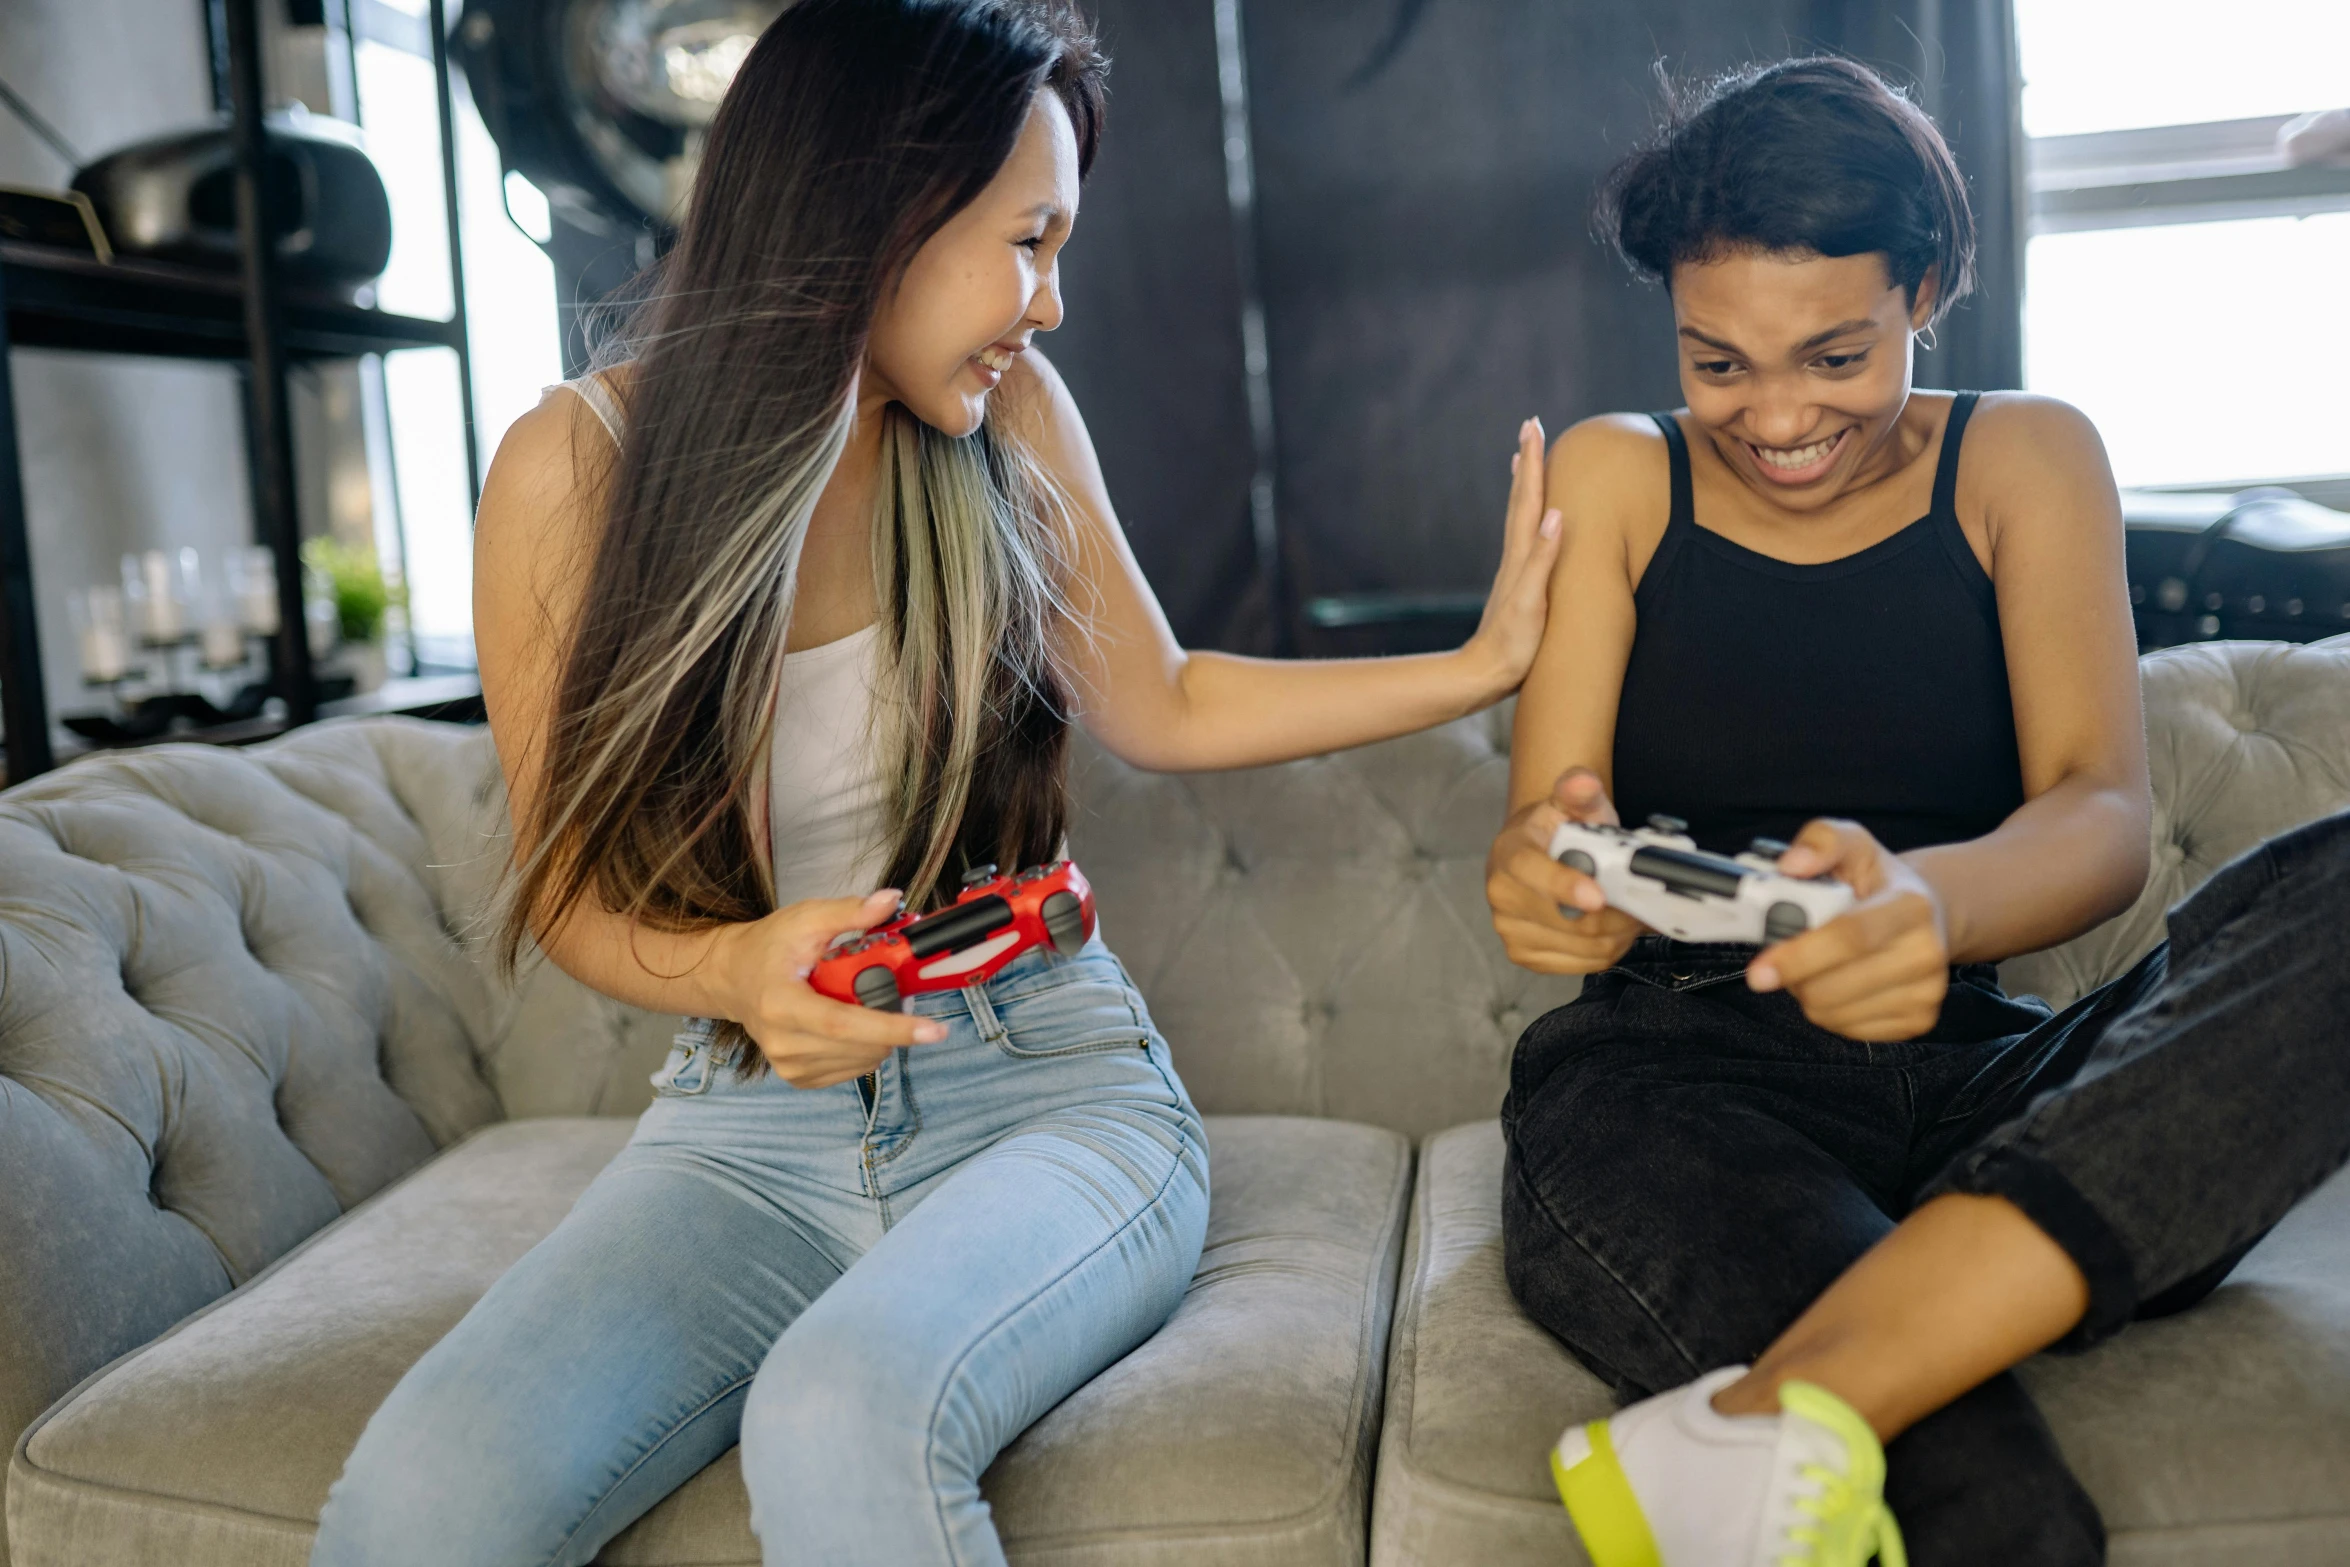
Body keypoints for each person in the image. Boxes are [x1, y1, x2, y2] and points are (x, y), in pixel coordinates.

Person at [309, 4, 1563, 1565]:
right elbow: (570, 892)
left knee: (842, 1407)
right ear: (880, 209)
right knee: (415, 1504)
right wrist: (731, 967)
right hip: (740, 1130)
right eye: (1028, 241)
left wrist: (1479, 662)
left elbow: (1163, 700)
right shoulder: (571, 473)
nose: (1050, 300)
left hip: (1048, 1088)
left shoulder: (1003, 426)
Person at [1482, 55, 2350, 1567]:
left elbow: (2098, 814)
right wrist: (1555, 878)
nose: (1775, 418)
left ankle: (1751, 1433)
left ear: (1926, 288)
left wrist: (1928, 905)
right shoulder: (1619, 475)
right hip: (1673, 1081)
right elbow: (1557, 822)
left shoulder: (2024, 456)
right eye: (1717, 364)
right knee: (1971, 1489)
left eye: (1832, 357)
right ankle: (1855, 1391)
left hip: (1982, 1078)